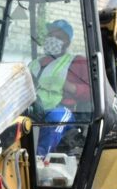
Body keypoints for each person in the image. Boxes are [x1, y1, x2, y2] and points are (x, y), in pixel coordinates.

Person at [28, 19, 90, 155]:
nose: (52, 39)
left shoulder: (76, 62)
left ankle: (41, 158)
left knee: (57, 118)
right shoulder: (35, 63)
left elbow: (92, 92)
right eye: (50, 35)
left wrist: (71, 87)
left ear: (66, 42)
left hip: (62, 110)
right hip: (33, 109)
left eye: (58, 37)